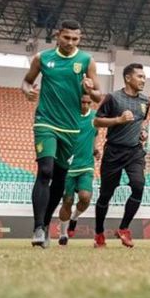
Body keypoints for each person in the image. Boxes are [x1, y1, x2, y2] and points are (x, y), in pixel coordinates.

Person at [21, 19, 102, 248]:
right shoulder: (43, 58)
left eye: (75, 39)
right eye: (66, 37)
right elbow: (27, 82)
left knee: (59, 179)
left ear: (80, 39)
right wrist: (28, 92)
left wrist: (90, 89)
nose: (70, 42)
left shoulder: (87, 61)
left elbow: (98, 95)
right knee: (45, 170)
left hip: (71, 127)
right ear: (58, 35)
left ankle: (46, 224)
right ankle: (37, 227)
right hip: (45, 121)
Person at [93, 64, 150, 248]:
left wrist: (142, 132)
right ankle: (99, 233)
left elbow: (142, 121)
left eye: (144, 77)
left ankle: (124, 228)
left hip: (134, 151)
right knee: (105, 195)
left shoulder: (145, 100)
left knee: (138, 186)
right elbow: (96, 120)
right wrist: (118, 120)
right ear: (127, 78)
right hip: (114, 151)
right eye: (140, 76)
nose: (143, 80)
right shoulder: (113, 98)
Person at [58, 94, 99, 245]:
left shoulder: (94, 117)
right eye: (83, 102)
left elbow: (95, 133)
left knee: (85, 197)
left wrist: (95, 149)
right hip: (68, 167)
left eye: (89, 103)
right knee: (67, 200)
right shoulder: (69, 116)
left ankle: (74, 218)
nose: (86, 105)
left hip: (86, 165)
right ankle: (63, 234)